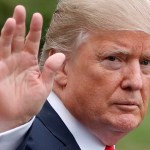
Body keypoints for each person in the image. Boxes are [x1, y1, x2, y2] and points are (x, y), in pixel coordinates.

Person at [1, 0, 150, 150]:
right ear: (61, 66)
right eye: (113, 59)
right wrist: (8, 129)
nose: (136, 82)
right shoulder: (19, 138)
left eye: (146, 62)